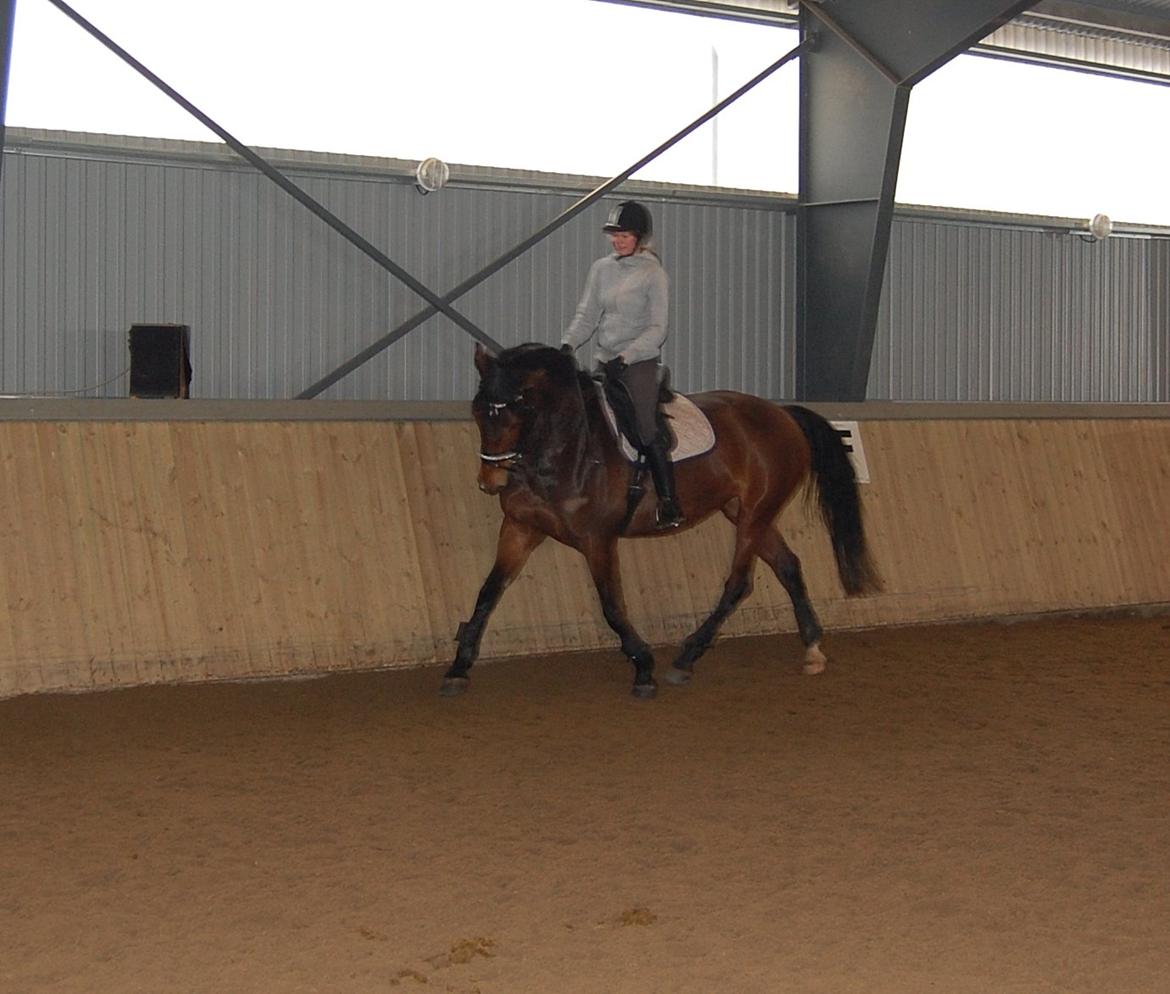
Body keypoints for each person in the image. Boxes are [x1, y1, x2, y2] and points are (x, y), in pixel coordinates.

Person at [561, 200, 684, 529]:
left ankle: (669, 501)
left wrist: (626, 357)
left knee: (644, 426)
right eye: (614, 235)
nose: (618, 241)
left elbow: (658, 329)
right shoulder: (602, 268)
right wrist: (567, 344)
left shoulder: (653, 274)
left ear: (640, 238)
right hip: (604, 359)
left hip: (638, 362)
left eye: (625, 235)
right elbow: (586, 315)